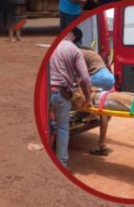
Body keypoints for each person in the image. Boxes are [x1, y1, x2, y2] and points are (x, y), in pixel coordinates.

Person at [68, 28, 114, 156]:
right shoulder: (88, 51)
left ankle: (88, 113)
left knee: (78, 92)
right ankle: (101, 143)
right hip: (109, 78)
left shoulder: (76, 52)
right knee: (103, 109)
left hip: (98, 77)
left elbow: (78, 75)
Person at [49, 36, 92, 169]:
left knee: (47, 125)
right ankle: (61, 164)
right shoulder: (74, 50)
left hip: (44, 92)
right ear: (73, 37)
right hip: (61, 94)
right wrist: (88, 97)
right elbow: (85, 78)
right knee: (62, 128)